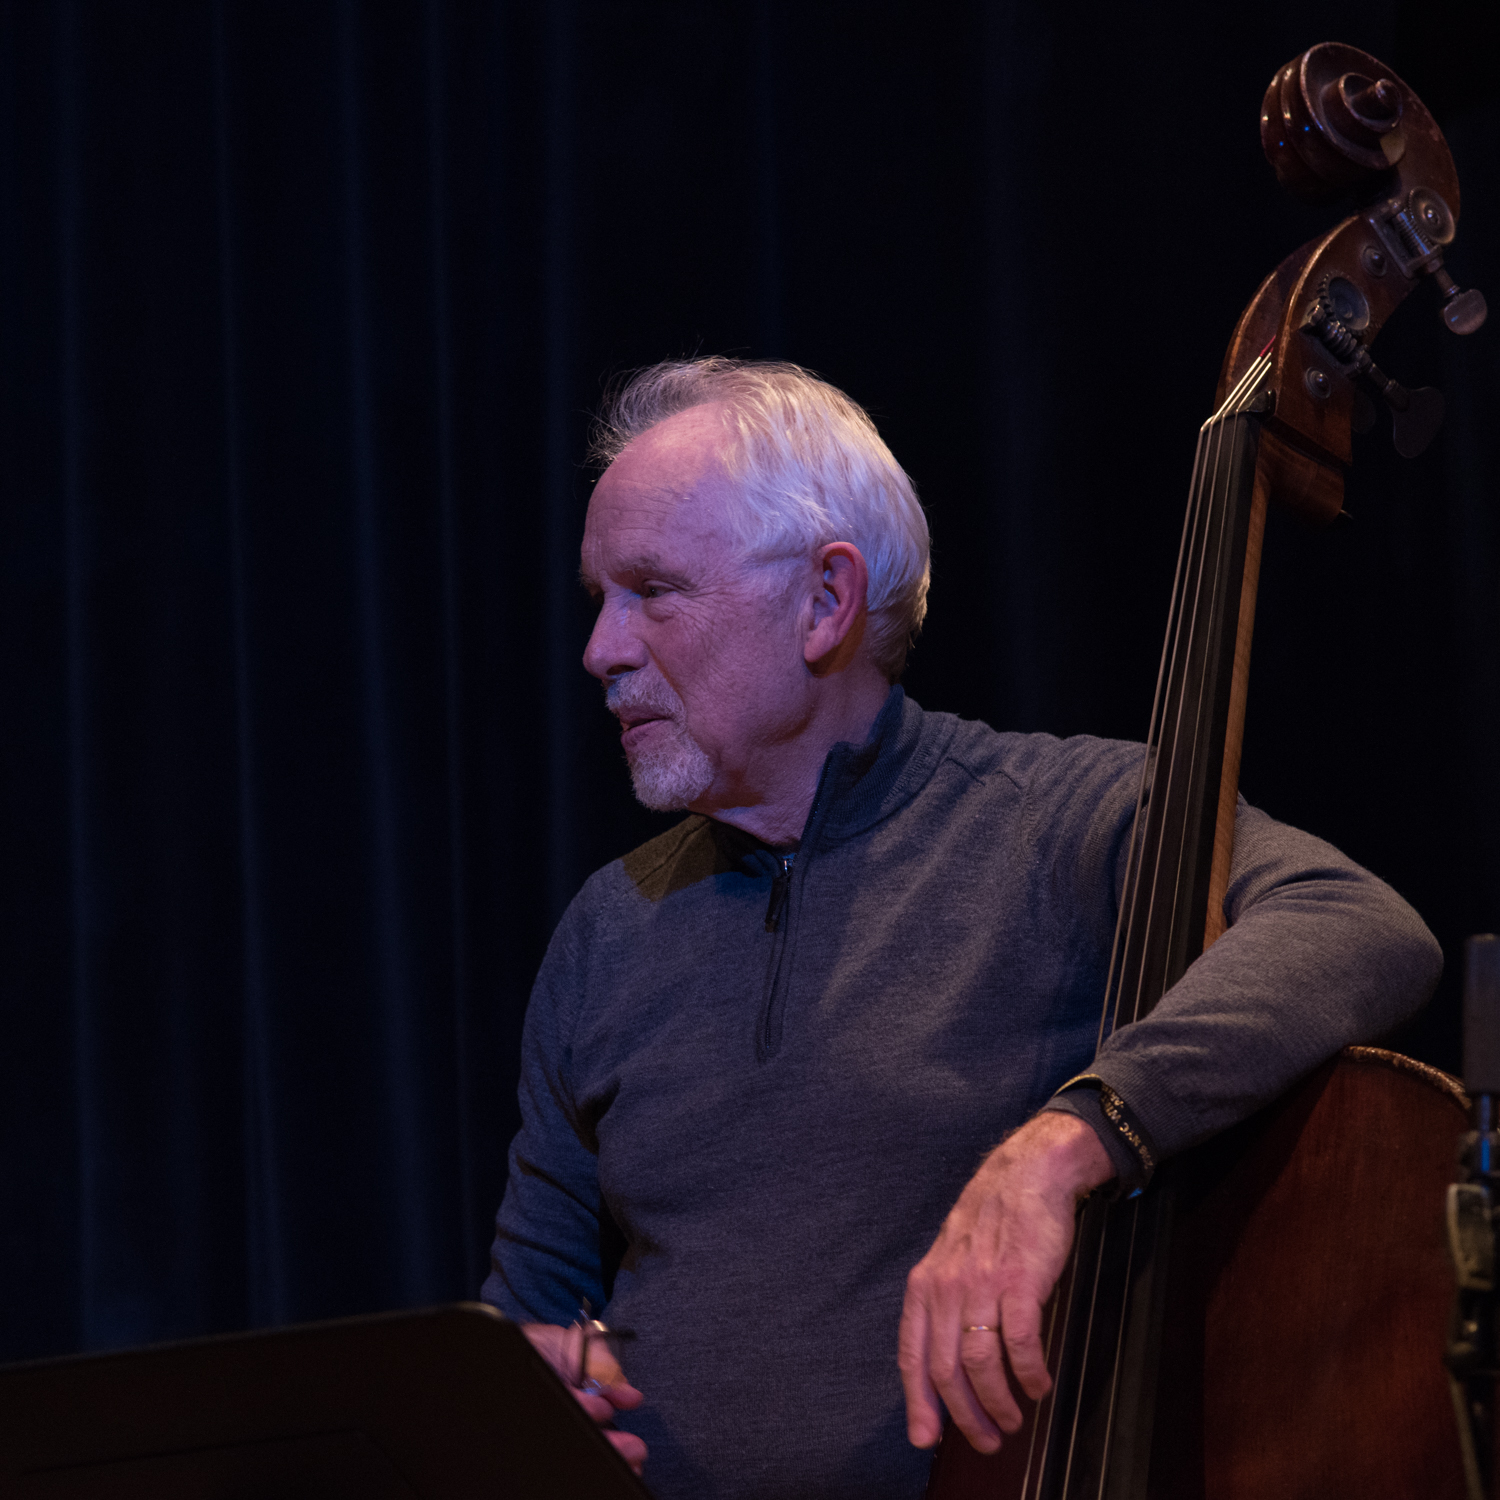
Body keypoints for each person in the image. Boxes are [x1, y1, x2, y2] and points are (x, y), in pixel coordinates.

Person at [481, 358, 1441, 1499]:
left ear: (825, 603)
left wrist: (1067, 1141)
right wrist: (518, 1391)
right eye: (600, 599)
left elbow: (1359, 925)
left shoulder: (1056, 823)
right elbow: (529, 1314)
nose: (602, 650)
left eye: (652, 590)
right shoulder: (606, 929)